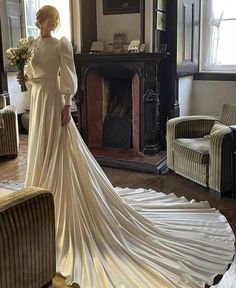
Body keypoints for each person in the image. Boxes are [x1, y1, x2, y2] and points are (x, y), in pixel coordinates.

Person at [22, 5, 235, 288]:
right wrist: (23, 78)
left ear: (54, 20)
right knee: (40, 147)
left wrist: (65, 104)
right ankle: (36, 198)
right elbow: (28, 72)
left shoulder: (61, 43)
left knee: (58, 151)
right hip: (37, 100)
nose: (43, 22)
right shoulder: (32, 44)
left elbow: (68, 77)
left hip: (51, 101)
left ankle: (60, 195)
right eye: (41, 18)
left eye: (47, 17)